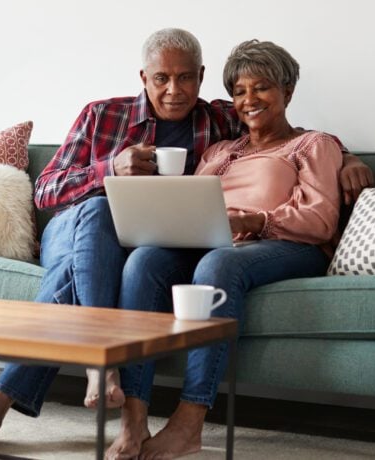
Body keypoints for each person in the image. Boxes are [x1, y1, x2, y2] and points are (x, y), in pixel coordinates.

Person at [0, 29, 372, 454]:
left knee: (143, 261)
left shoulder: (220, 123)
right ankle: (108, 373)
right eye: (162, 79)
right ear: (144, 77)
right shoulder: (107, 115)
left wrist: (348, 157)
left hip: (191, 243)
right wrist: (108, 171)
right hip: (76, 225)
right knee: (102, 219)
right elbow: (45, 192)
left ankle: (23, 396)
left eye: (187, 78)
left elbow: (295, 137)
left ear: (201, 77)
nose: (175, 90)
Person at [106, 39, 345, 459]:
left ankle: (189, 422)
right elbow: (191, 203)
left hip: (287, 245)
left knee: (219, 263)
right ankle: (134, 414)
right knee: (144, 261)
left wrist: (255, 221)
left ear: (287, 92)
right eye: (239, 91)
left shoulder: (313, 145)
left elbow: (321, 219)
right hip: (217, 242)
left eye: (262, 88)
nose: (249, 100)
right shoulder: (219, 150)